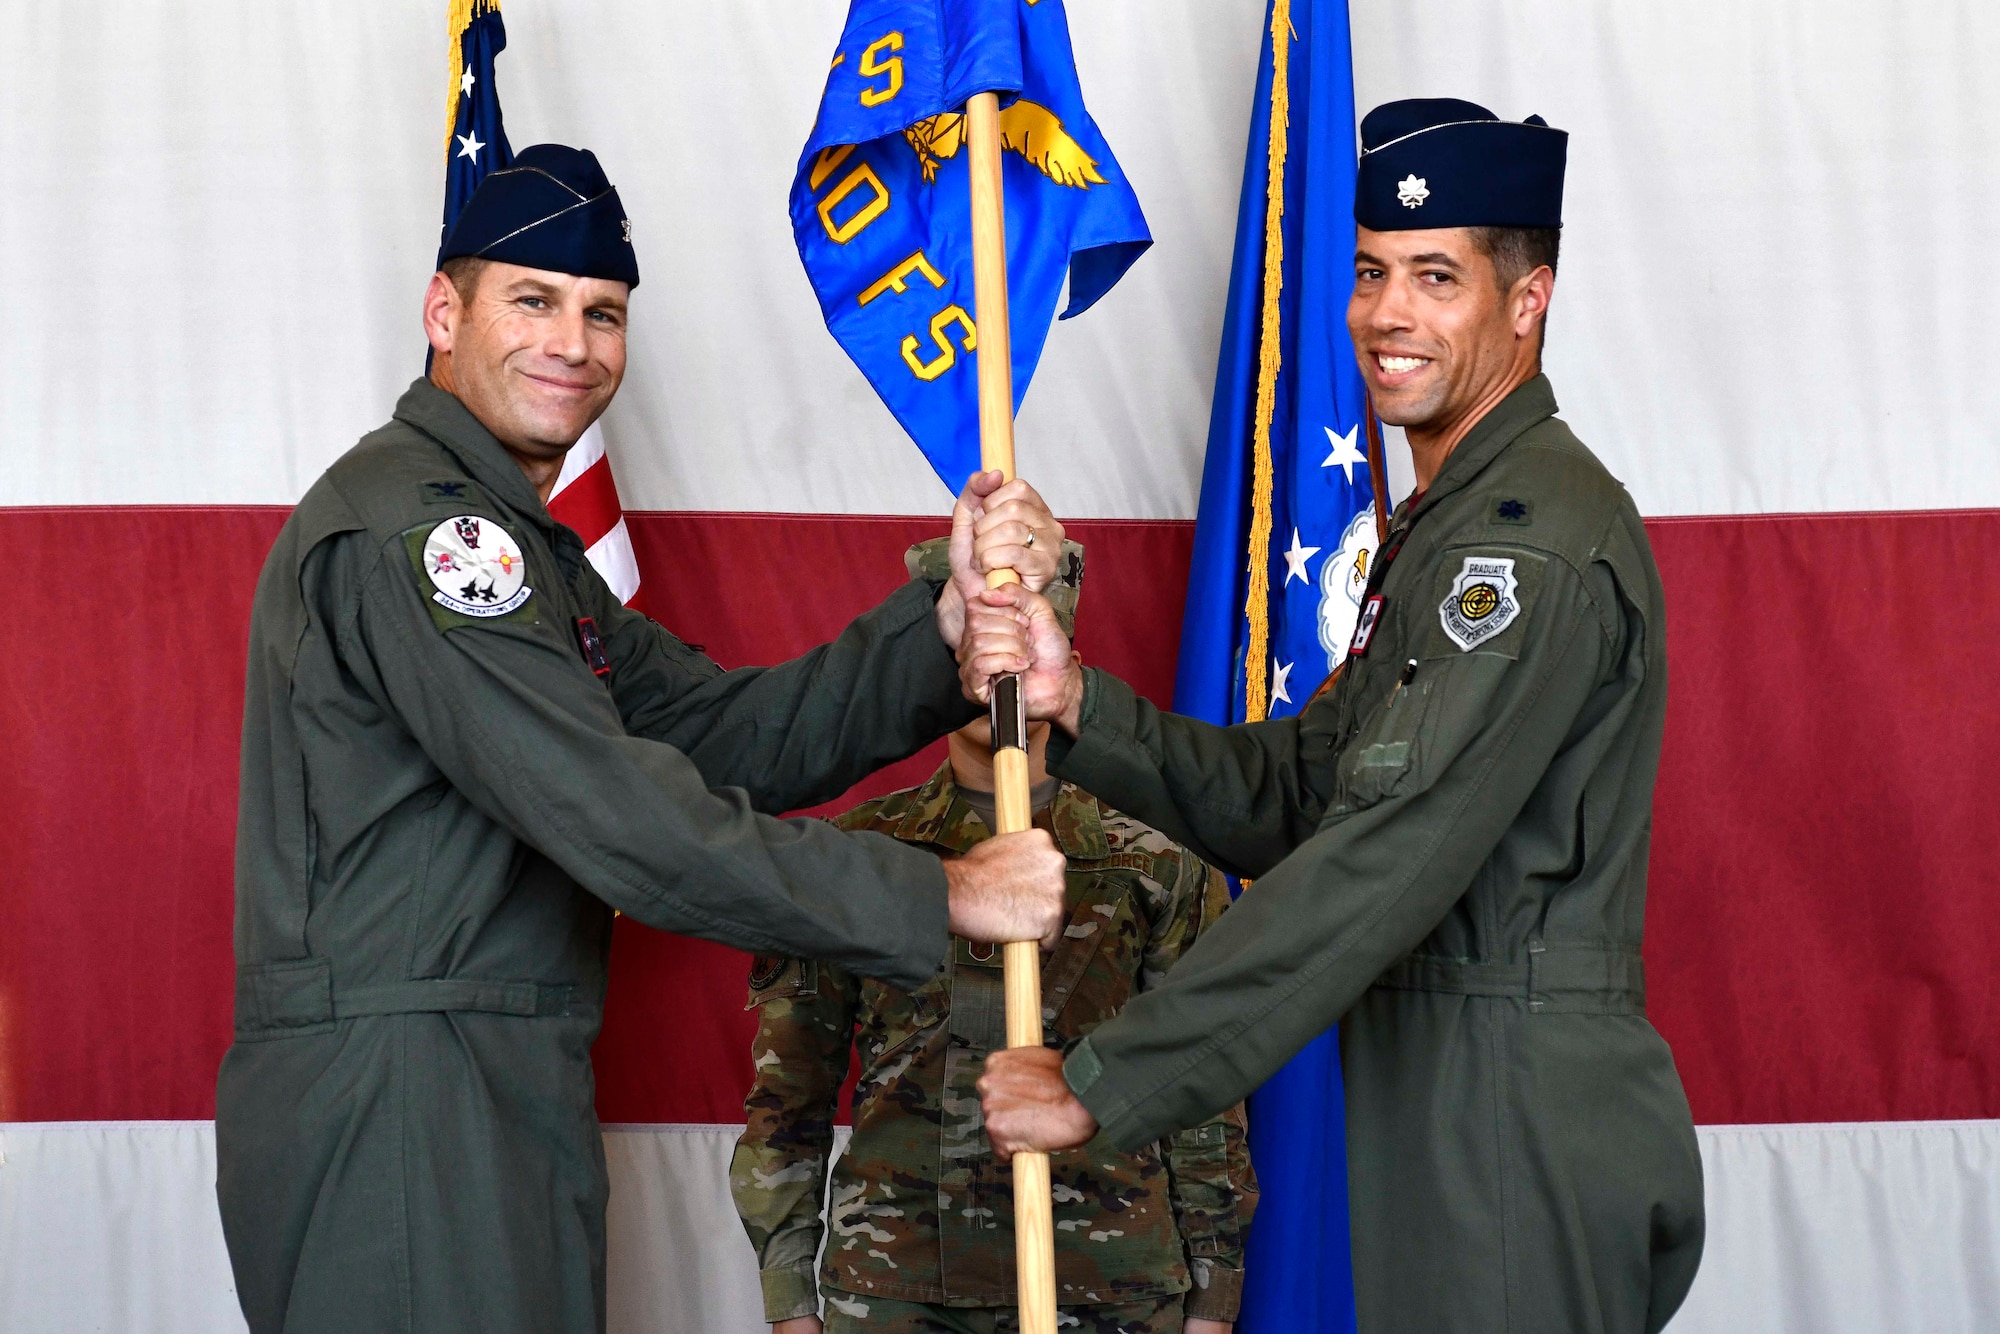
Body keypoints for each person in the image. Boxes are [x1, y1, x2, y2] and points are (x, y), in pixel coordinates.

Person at [215, 143, 1070, 1334]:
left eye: (601, 312)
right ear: (442, 311)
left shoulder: (523, 549)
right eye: (532, 299)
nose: (572, 342)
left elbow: (725, 733)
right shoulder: (424, 537)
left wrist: (938, 626)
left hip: (487, 1079)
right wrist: (938, 893)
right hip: (406, 1096)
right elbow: (619, 816)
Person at [962, 100, 1707, 1333]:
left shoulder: (1522, 551)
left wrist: (1104, 1079)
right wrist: (1074, 698)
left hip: (1509, 1107)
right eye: (1368, 273)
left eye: (1434, 276)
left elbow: (1381, 856)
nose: (1384, 313)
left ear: (1526, 301)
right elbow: (1305, 796)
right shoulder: (1452, 520)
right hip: (1446, 1091)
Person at [729, 539, 1257, 1334]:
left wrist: (1213, 1305)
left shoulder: (1157, 855)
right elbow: (787, 1099)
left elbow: (1201, 1093)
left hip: (1110, 1289)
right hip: (895, 1290)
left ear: (1061, 651)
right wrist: (790, 1305)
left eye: (1020, 638)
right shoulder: (858, 857)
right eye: (977, 640)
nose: (996, 671)